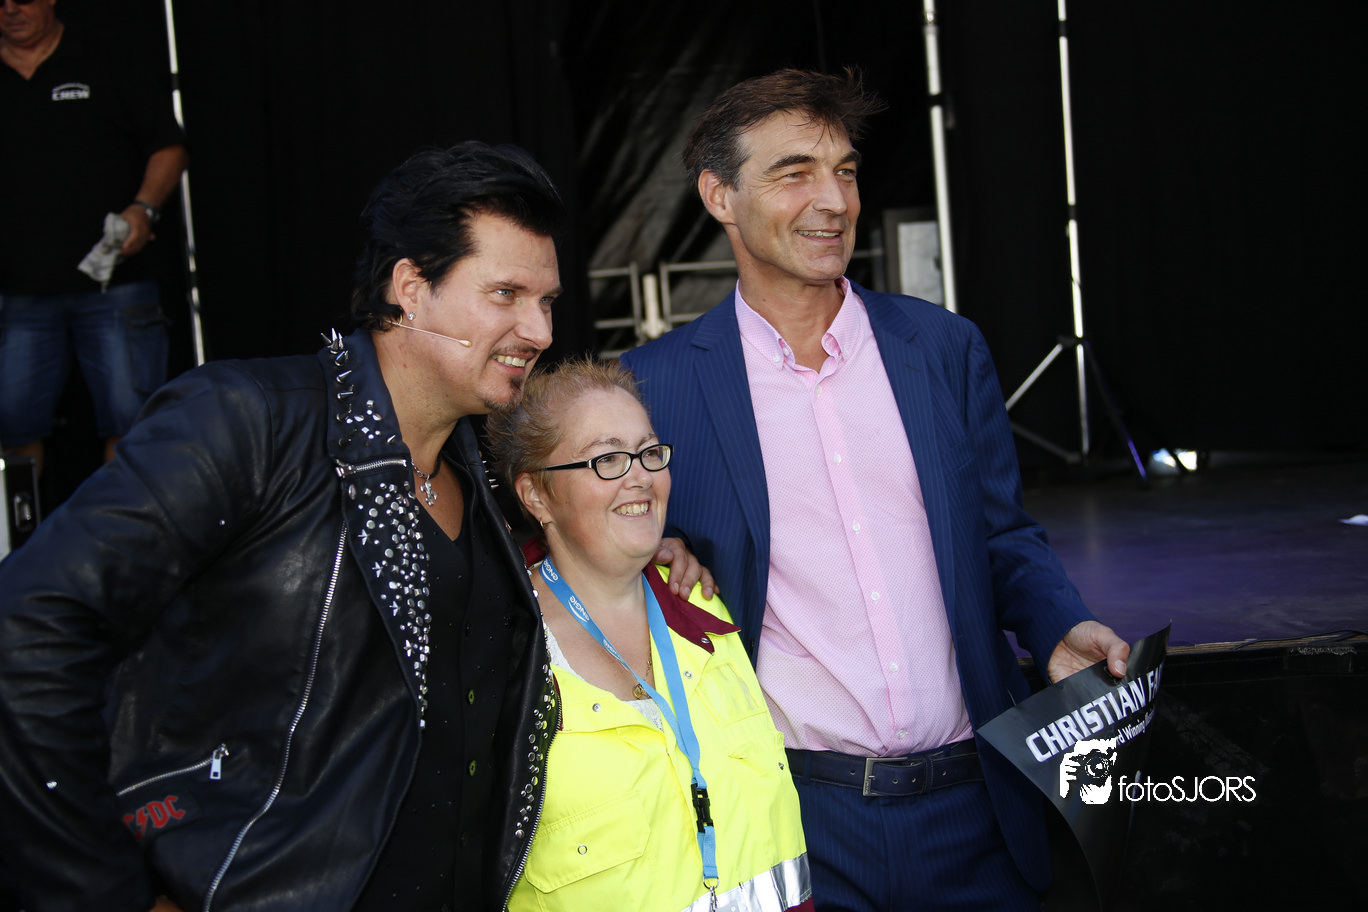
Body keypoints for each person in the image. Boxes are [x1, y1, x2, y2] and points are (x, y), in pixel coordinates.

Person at [0, 142, 576, 912]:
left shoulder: (483, 474)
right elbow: (28, 629)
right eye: (506, 294)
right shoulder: (250, 422)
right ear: (410, 288)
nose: (538, 330)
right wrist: (112, 892)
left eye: (547, 302)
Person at [618, 69, 1132, 911]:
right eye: (795, 174)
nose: (833, 201)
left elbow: (1001, 534)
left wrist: (1058, 623)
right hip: (793, 817)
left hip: (977, 808)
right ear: (719, 196)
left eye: (846, 172)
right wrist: (650, 552)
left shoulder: (943, 348)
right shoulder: (656, 385)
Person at [484, 357, 812, 912]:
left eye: (649, 452)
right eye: (608, 458)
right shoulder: (502, 658)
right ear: (536, 495)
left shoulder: (704, 608)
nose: (639, 475)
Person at [0, 0, 190, 475]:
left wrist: (144, 209)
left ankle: (121, 525)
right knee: (12, 430)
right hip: (16, 292)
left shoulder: (105, 56)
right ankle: (21, 525)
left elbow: (168, 145)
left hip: (116, 282)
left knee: (133, 425)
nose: (10, 9)